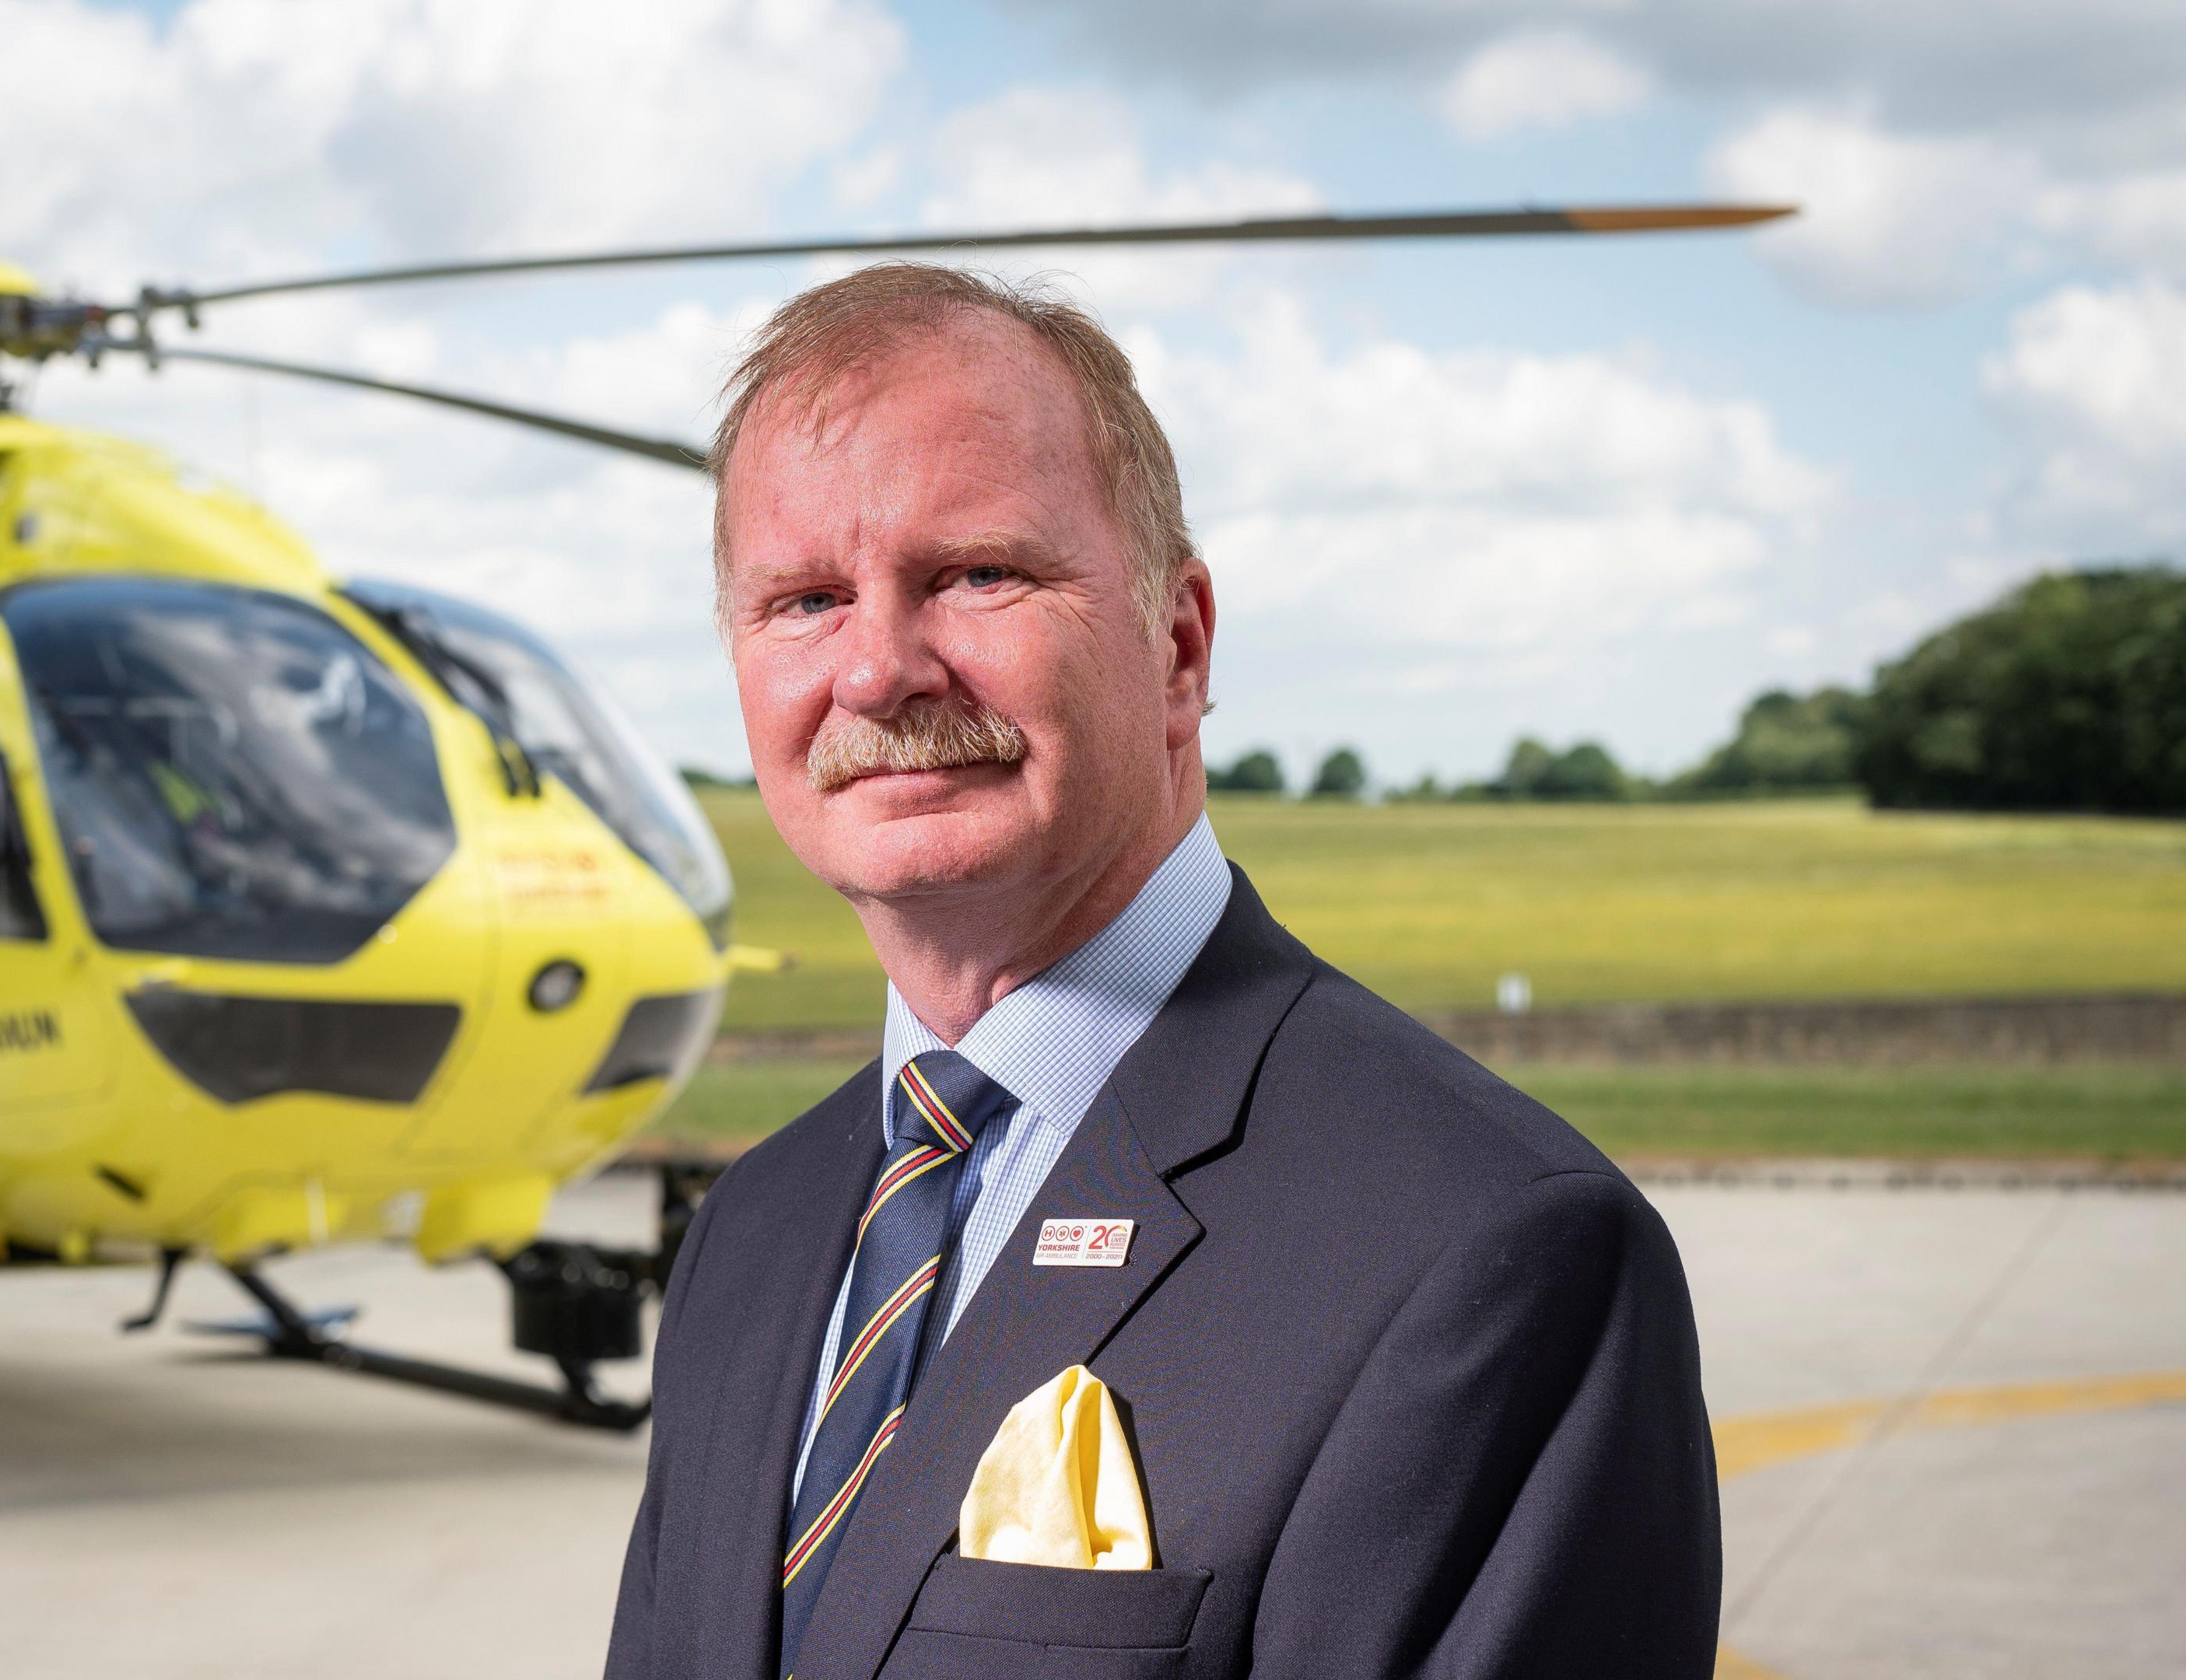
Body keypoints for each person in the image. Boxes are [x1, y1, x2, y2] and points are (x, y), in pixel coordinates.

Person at [604, 264, 1719, 1680]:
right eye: (806, 600)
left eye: (978, 575)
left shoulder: (1494, 1253)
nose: (878, 671)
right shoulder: (750, 1237)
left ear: (1180, 647)